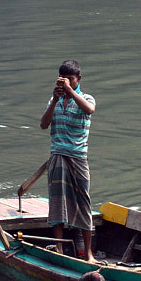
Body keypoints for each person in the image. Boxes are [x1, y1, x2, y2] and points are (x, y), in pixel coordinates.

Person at [40, 59, 97, 262]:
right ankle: (60, 250)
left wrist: (70, 92)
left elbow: (89, 110)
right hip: (57, 157)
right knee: (57, 203)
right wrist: (55, 101)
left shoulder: (86, 97)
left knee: (83, 203)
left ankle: (89, 254)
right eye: (63, 80)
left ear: (78, 79)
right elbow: (43, 125)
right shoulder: (53, 100)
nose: (66, 83)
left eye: (70, 80)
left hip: (78, 158)